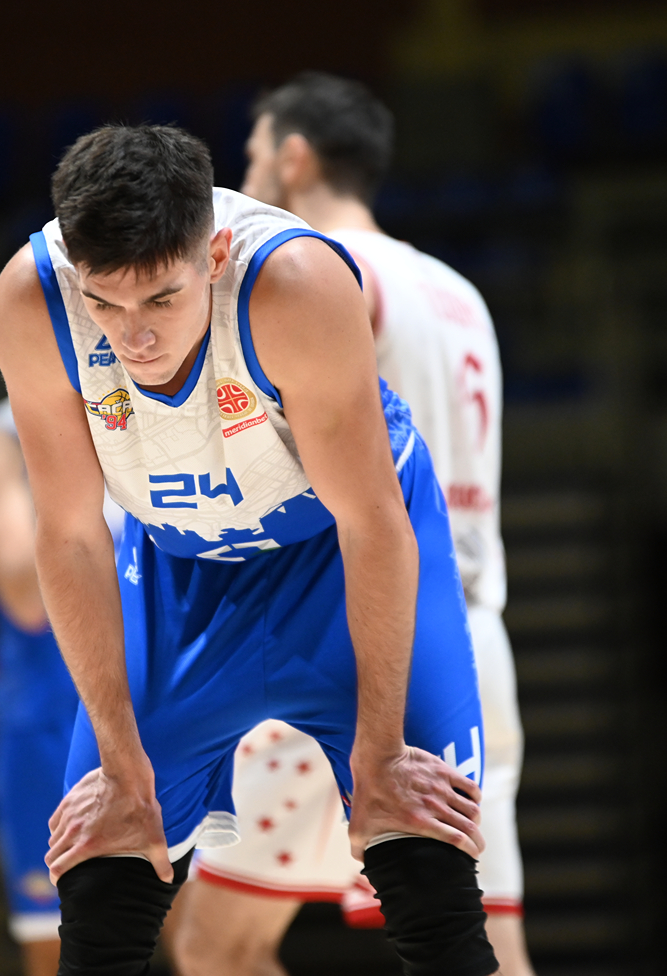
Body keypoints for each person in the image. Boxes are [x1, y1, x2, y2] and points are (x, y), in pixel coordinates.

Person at [0, 123, 500, 976]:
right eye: (105, 304)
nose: (134, 337)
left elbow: (372, 519)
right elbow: (70, 534)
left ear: (216, 255)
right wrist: (118, 757)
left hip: (335, 554)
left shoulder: (297, 282)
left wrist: (379, 754)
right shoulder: (30, 302)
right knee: (105, 871)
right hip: (180, 569)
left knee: (424, 861)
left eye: (161, 300)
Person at [167, 73, 534, 976]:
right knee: (489, 945)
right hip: (478, 647)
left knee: (215, 947)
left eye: (254, 154)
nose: (246, 177)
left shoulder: (323, 270)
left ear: (294, 157)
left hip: (363, 643)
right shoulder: (457, 291)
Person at [0, 400, 125, 976]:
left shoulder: (166, 391)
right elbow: (26, 596)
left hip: (170, 702)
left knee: (210, 936)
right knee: (62, 948)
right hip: (55, 723)